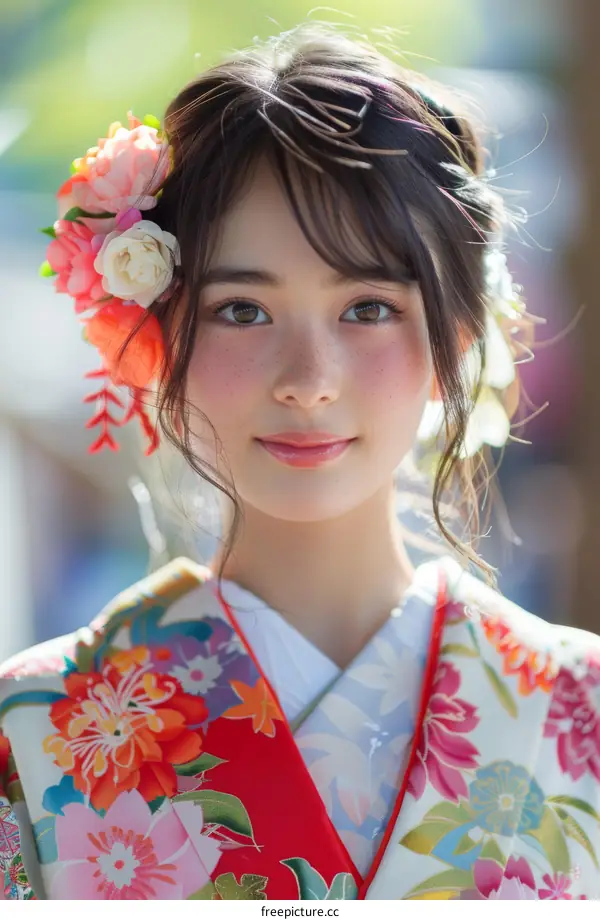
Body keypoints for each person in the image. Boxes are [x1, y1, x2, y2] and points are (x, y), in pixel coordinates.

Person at [0, 21, 598, 901]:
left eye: (368, 307)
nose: (309, 382)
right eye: (242, 310)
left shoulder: (576, 707)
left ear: (455, 335)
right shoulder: (35, 730)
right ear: (156, 333)